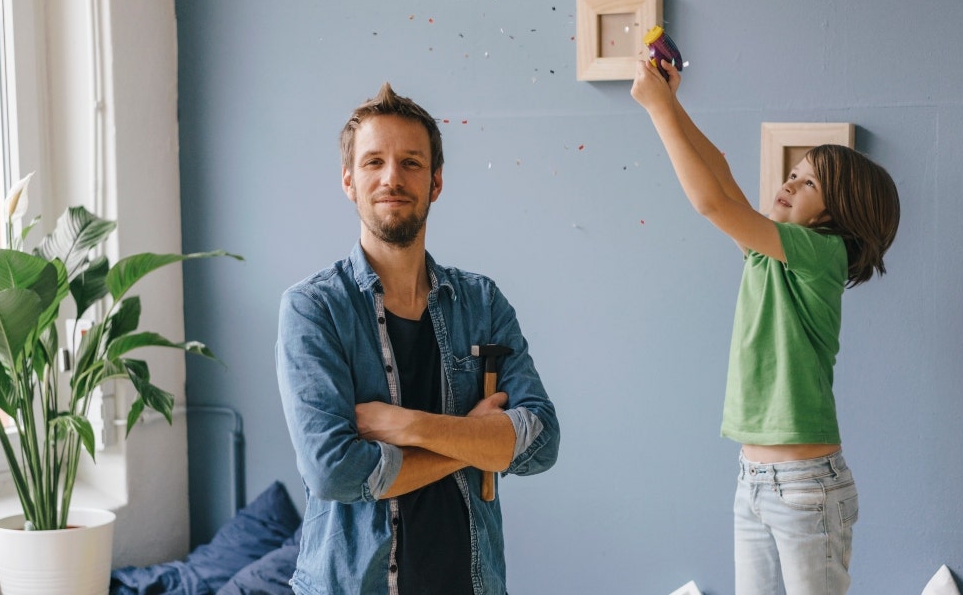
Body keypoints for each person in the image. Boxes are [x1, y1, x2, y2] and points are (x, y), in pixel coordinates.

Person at [275, 82, 561, 595]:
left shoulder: (482, 301)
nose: (392, 178)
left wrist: (406, 425)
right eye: (373, 162)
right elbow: (334, 472)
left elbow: (540, 441)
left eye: (410, 162)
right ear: (348, 180)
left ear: (436, 182)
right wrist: (475, 444)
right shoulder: (313, 308)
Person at [631, 59, 900, 595]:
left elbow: (710, 203)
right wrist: (674, 102)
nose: (789, 184)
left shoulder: (821, 253)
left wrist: (658, 110)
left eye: (809, 183)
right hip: (753, 480)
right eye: (792, 174)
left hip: (805, 487)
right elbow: (723, 179)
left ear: (838, 214)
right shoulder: (769, 255)